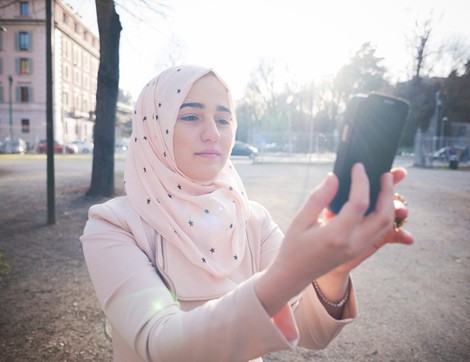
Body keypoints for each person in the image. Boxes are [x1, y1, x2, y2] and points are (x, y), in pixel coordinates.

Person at [80, 65, 414, 362]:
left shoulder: (252, 217)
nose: (213, 132)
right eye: (191, 116)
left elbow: (310, 332)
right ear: (154, 127)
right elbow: (161, 343)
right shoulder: (113, 225)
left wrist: (334, 271)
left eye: (223, 119)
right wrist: (286, 274)